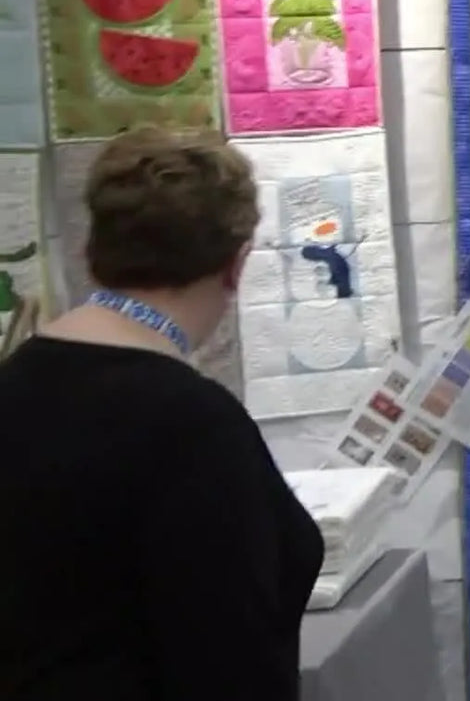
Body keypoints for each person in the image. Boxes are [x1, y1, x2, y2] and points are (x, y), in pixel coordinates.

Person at [0, 127, 323, 700]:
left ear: (92, 254)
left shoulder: (16, 383)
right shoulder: (194, 427)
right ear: (236, 266)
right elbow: (230, 664)